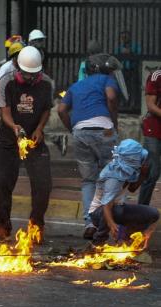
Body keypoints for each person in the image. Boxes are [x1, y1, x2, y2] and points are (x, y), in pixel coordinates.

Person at [0, 46, 53, 243]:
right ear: (18, 67)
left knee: (43, 184)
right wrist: (14, 127)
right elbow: (5, 112)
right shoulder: (6, 82)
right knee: (1, 183)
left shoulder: (46, 83)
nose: (30, 79)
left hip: (34, 139)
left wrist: (40, 128)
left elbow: (45, 109)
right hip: (9, 138)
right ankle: (3, 225)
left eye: (33, 75)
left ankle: (36, 225)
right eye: (26, 75)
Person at [58, 53, 120, 239]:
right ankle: (111, 222)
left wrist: (73, 129)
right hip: (105, 130)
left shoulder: (76, 85)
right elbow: (111, 97)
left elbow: (61, 110)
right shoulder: (107, 79)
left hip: (80, 133)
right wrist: (114, 121)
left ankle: (90, 222)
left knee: (88, 181)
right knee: (111, 176)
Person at [89, 139, 159, 247]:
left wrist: (143, 175)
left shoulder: (128, 170)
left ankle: (128, 237)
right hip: (99, 213)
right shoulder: (113, 178)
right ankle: (98, 241)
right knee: (116, 210)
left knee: (153, 213)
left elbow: (131, 189)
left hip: (119, 208)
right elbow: (106, 206)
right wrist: (112, 225)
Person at [138, 70, 161, 205]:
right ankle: (141, 209)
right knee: (152, 173)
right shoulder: (156, 76)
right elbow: (151, 106)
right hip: (154, 128)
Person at [0, 41, 25, 129]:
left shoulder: (21, 67)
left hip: (11, 101)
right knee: (2, 125)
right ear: (14, 56)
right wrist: (1, 104)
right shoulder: (6, 68)